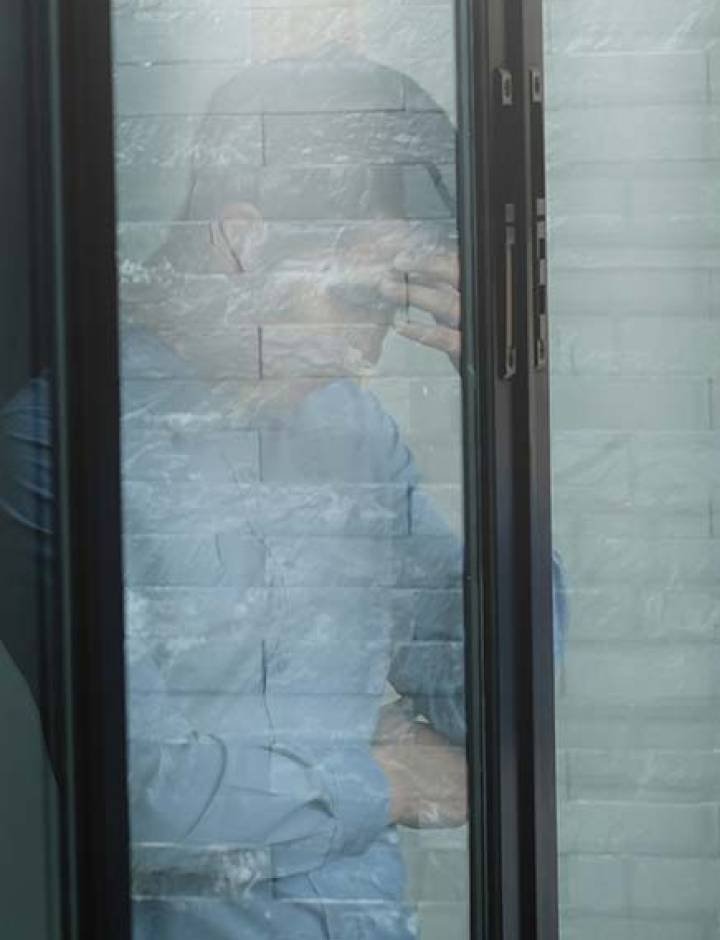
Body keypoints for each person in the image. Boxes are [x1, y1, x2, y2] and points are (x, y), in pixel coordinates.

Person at [0, 52, 568, 938]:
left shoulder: (355, 430)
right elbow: (147, 802)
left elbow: (490, 707)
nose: (367, 356)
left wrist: (499, 424)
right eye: (358, 301)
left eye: (393, 310)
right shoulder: (58, 449)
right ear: (243, 241)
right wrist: (382, 780)